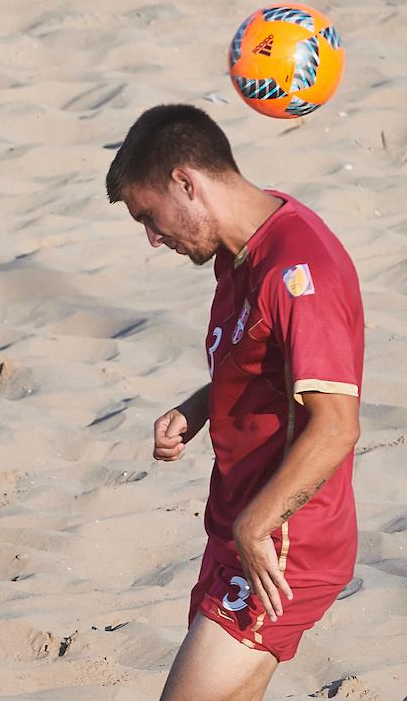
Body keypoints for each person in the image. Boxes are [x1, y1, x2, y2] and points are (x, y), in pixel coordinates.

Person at [106, 105, 363, 700]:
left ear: (186, 183)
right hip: (241, 527)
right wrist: (201, 406)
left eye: (149, 215)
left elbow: (336, 426)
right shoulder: (242, 247)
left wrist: (257, 525)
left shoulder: (300, 270)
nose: (153, 236)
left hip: (284, 543)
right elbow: (266, 359)